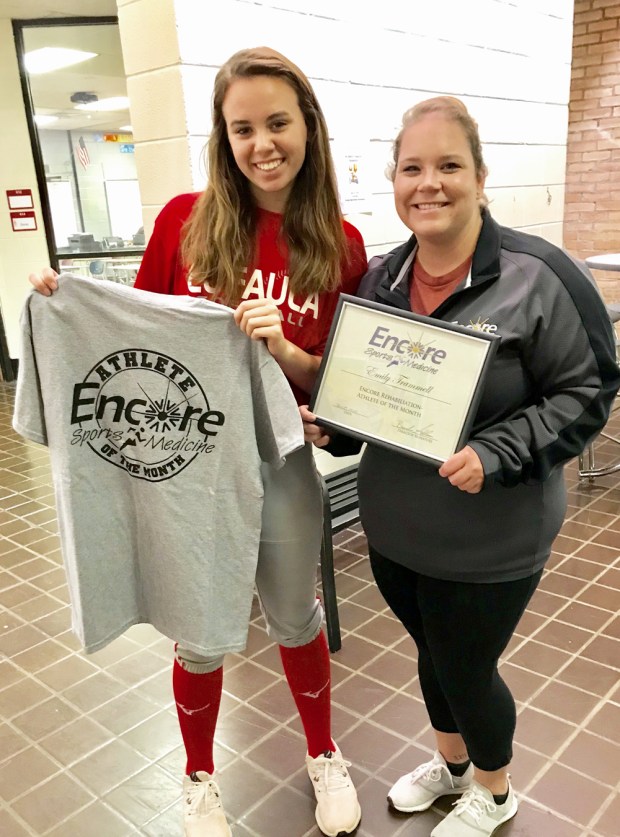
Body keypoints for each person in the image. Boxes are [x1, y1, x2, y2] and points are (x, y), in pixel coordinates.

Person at [29, 47, 367, 837]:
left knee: (295, 612)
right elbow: (132, 338)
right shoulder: (185, 220)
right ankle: (198, 775)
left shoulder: (341, 243)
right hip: (190, 465)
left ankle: (323, 751)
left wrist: (289, 359)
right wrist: (64, 301)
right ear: (224, 136)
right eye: (243, 128)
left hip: (283, 461)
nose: (263, 144)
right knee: (199, 622)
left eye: (278, 123)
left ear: (308, 127)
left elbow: (339, 380)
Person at [301, 96, 620, 837]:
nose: (429, 183)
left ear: (480, 176)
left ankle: (495, 791)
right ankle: (451, 769)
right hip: (396, 530)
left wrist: (496, 451)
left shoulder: (539, 276)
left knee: (467, 666)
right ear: (394, 180)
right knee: (433, 654)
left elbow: (589, 389)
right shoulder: (382, 278)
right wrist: (335, 423)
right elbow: (368, 392)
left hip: (490, 537)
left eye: (449, 165)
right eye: (412, 168)